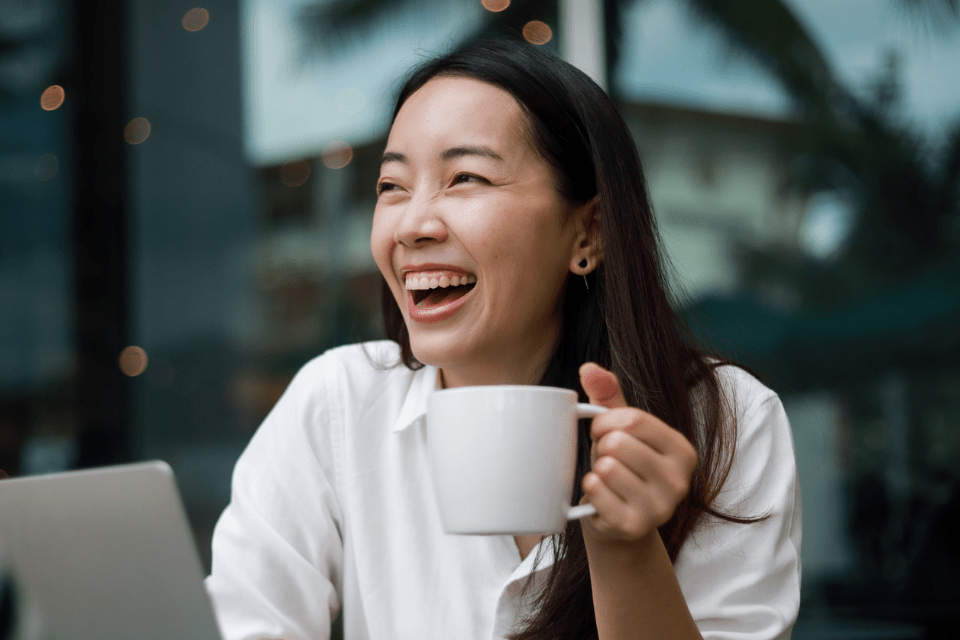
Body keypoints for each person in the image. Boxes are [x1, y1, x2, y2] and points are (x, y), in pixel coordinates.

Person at [205, 38, 801, 640]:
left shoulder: (727, 420)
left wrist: (624, 547)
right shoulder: (337, 403)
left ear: (587, 232)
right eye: (392, 186)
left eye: (466, 177)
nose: (412, 225)